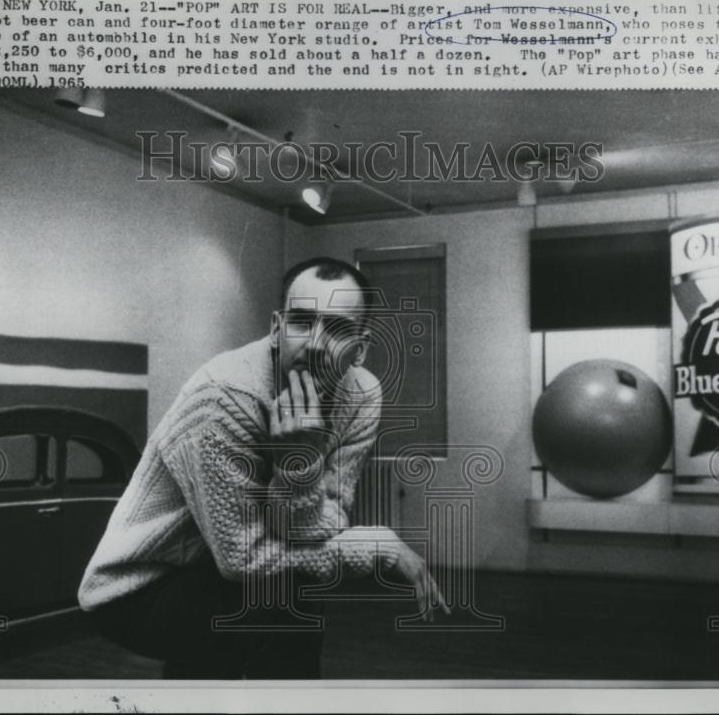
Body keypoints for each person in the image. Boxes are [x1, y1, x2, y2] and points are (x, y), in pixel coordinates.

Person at [78, 257, 448, 679]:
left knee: (291, 595)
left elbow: (326, 521)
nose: (313, 343)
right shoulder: (221, 398)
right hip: (139, 588)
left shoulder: (362, 396)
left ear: (360, 349)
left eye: (337, 328)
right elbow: (243, 560)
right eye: (301, 322)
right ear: (276, 328)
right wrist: (376, 545)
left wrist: (299, 465)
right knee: (281, 596)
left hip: (223, 576)